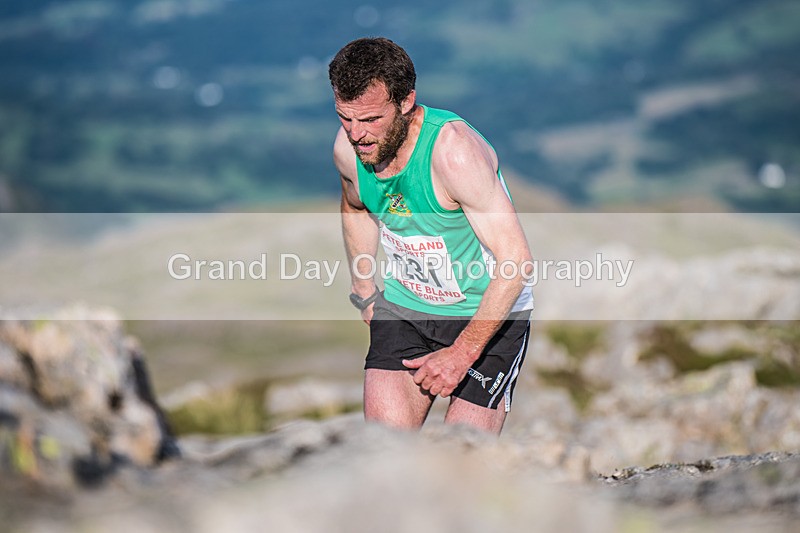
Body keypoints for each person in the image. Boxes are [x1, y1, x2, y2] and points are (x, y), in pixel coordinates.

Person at [329, 37, 534, 435]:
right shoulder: (348, 150)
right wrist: (363, 288)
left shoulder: (454, 154)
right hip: (406, 308)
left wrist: (463, 353)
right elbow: (355, 206)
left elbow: (516, 262)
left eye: (371, 120)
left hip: (487, 315)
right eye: (345, 117)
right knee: (385, 452)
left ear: (406, 101)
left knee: (459, 461)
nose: (357, 135)